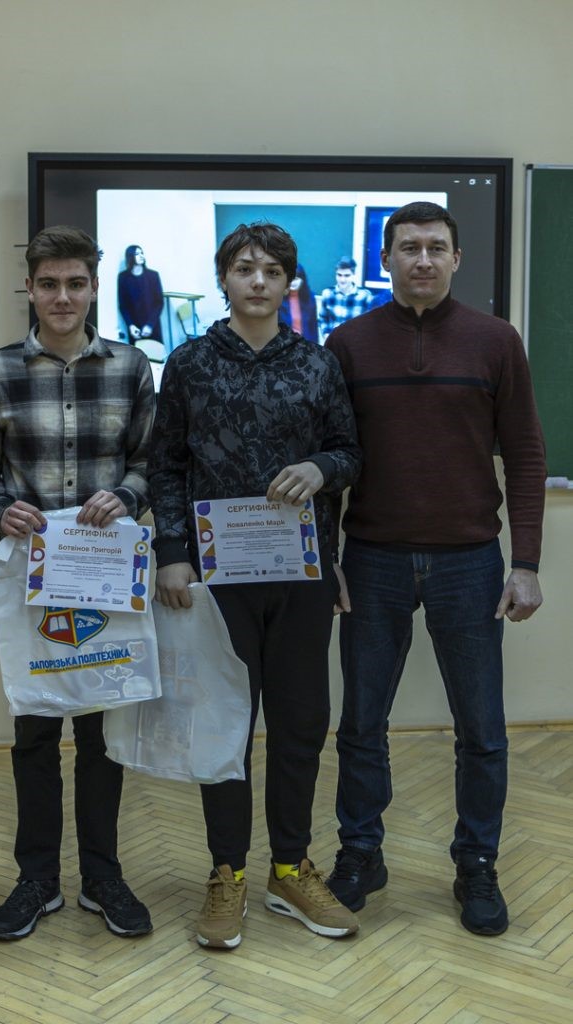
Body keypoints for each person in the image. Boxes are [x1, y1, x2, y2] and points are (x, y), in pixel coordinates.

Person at [325, 201, 546, 936]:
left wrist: (525, 562)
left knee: (481, 729)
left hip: (470, 564)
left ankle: (475, 863)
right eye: (408, 247)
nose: (422, 259)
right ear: (386, 259)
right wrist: (325, 557)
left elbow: (525, 454)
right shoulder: (347, 344)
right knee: (361, 723)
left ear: (456, 258)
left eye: (435, 247)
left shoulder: (495, 341)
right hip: (372, 559)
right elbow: (330, 462)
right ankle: (360, 853)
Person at [149, 222, 362, 949]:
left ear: (289, 281)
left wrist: (321, 469)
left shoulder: (317, 364)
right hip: (217, 580)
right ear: (224, 279)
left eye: (272, 269)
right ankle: (227, 872)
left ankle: (289, 868)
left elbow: (349, 451)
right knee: (224, 725)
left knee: (301, 721)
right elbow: (166, 464)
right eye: (245, 268)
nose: (259, 280)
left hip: (301, 575)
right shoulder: (189, 364)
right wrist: (171, 551)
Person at [0, 225, 155, 942]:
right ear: (31, 289)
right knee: (35, 732)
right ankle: (37, 881)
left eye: (76, 283)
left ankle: (102, 878)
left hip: (104, 577)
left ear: (95, 286)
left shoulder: (131, 367)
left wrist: (126, 496)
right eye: (49, 284)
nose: (63, 297)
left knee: (104, 735)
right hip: (33, 580)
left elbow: (150, 461)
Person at [117, 244, 164, 343]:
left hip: (153, 326)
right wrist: (131, 326)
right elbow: (123, 306)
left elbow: (159, 303)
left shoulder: (153, 275)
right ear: (130, 257)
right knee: (137, 352)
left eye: (142, 253)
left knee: (156, 351)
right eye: (137, 254)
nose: (141, 256)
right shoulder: (123, 277)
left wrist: (150, 325)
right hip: (135, 329)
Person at [318, 257, 374, 340]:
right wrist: (326, 334)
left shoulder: (365, 296)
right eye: (339, 275)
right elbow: (323, 318)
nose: (342, 280)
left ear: (353, 275)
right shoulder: (327, 293)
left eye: (347, 275)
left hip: (354, 343)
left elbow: (369, 323)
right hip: (333, 342)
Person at [278, 261, 319, 343]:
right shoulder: (278, 298)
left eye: (296, 279)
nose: (293, 283)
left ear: (302, 279)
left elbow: (313, 327)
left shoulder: (310, 298)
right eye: (290, 279)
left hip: (305, 344)